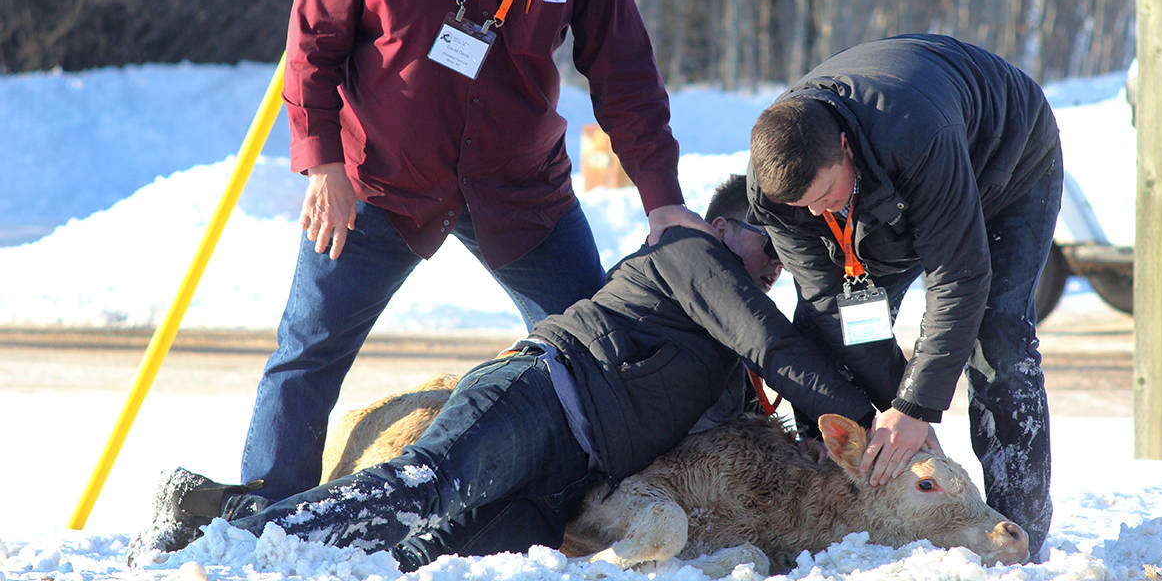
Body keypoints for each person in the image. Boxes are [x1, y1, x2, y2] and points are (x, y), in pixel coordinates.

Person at [246, 0, 712, 509]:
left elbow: (623, 73)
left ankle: (607, 507)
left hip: (518, 189)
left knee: (594, 353)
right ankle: (263, 517)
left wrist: (663, 200)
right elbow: (313, 41)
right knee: (306, 352)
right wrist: (323, 162)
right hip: (378, 180)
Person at [129, 175, 877, 569]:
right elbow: (777, 345)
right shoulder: (693, 258)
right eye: (769, 249)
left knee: (425, 554)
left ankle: (220, 518)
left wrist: (822, 435)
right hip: (539, 396)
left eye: (784, 260)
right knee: (420, 488)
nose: (774, 271)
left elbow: (756, 404)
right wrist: (876, 425)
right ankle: (216, 552)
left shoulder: (721, 352)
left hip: (569, 472)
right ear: (720, 228)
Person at [745, 33, 1062, 557]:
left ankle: (1018, 531)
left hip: (1005, 163)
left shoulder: (917, 137)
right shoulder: (782, 190)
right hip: (886, 193)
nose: (818, 214)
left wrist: (915, 408)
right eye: (804, 207)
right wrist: (891, 417)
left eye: (825, 196)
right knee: (832, 330)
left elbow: (958, 281)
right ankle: (849, 518)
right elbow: (830, 304)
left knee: (998, 338)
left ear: (844, 148)